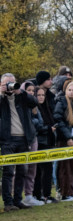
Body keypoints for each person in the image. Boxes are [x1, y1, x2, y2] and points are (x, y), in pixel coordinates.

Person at [1, 73, 38, 211]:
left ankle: (18, 200)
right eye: (7, 83)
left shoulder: (21, 97)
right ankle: (8, 203)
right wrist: (1, 93)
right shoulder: (1, 98)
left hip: (23, 138)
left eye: (12, 82)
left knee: (23, 171)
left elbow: (34, 102)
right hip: (7, 140)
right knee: (8, 171)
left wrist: (20, 91)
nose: (10, 86)